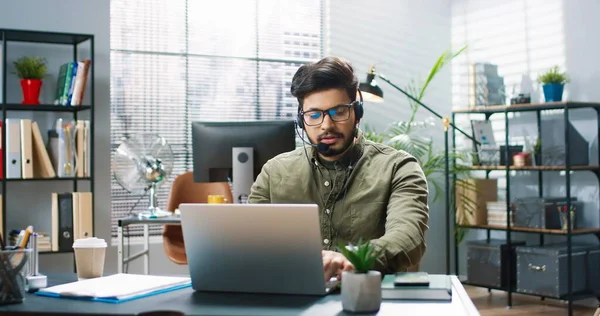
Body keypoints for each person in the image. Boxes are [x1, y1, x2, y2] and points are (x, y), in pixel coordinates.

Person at [247, 56, 429, 281]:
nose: (326, 125)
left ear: (357, 113)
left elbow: (408, 237)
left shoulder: (398, 168)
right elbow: (248, 239)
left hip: (368, 297)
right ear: (301, 121)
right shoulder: (274, 172)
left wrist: (352, 258)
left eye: (339, 111)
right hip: (292, 297)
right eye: (314, 115)